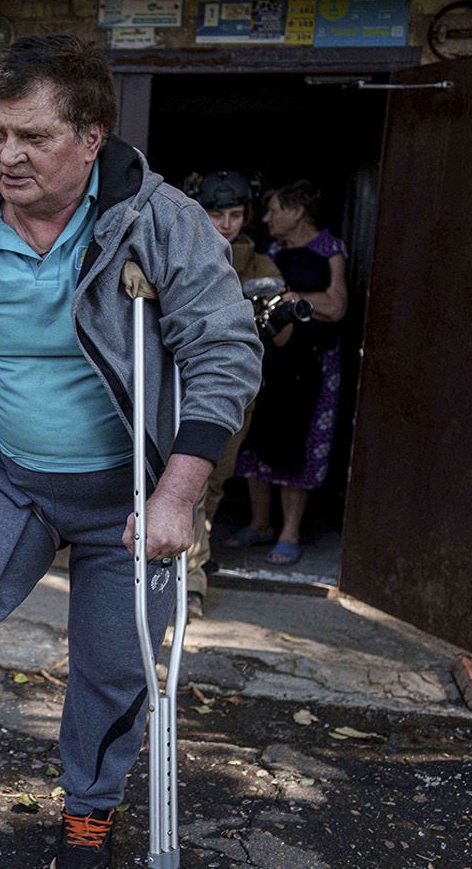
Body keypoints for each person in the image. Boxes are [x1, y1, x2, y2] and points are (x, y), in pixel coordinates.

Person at [0, 36, 260, 868]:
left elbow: (224, 351)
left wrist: (178, 494)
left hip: (131, 493)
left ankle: (89, 807)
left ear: (91, 138)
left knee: (114, 663)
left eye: (33, 136)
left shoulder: (161, 221)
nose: (7, 155)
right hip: (19, 476)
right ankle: (17, 540)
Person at [225, 180, 347, 565]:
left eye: (274, 210)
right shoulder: (271, 252)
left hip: (312, 364)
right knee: (257, 438)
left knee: (299, 442)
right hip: (272, 358)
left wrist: (294, 299)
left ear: (297, 212)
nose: (266, 218)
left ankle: (289, 532)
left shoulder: (329, 250)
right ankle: (259, 523)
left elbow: (336, 305)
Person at [180, 170, 272, 616]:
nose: (227, 224)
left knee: (212, 483)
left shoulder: (258, 263)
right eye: (217, 214)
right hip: (182, 383)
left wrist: (271, 312)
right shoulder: (181, 250)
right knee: (187, 484)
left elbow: (282, 334)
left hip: (233, 392)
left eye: (235, 214)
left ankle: (192, 562)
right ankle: (190, 580)